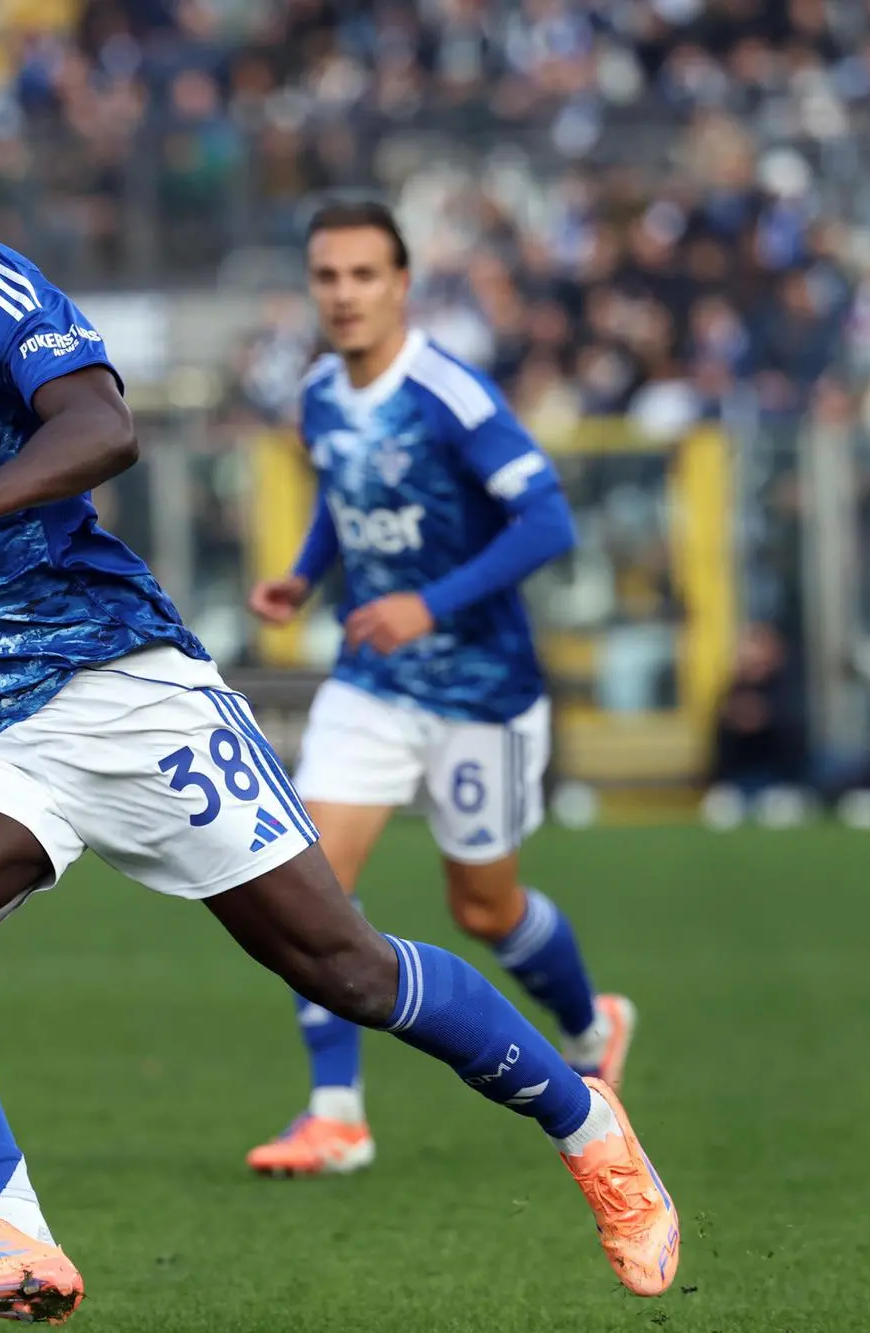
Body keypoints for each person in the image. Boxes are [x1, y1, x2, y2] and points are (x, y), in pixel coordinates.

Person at [0, 114, 678, 1324]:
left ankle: (588, 1125)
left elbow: (99, 428)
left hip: (119, 690)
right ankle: (7, 1228)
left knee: (339, 963)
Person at [241, 200, 633, 1178]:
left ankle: (589, 1024)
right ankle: (335, 1113)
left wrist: (426, 603)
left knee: (483, 908)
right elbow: (346, 492)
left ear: (400, 284)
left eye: (362, 275)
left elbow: (545, 523)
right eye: (326, 276)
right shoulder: (320, 393)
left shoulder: (448, 394)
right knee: (306, 889)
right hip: (369, 683)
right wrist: (303, 572)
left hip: (478, 693)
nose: (342, 294)